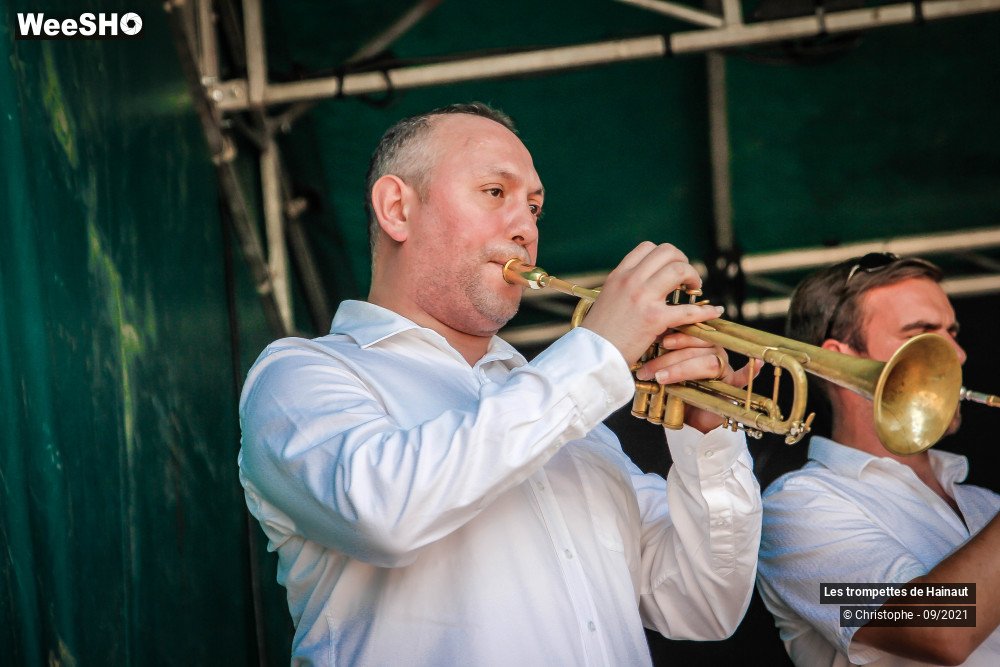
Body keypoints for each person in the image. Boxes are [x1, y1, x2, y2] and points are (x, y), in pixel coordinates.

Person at [238, 102, 762, 666]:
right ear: (397, 209)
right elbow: (381, 511)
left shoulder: (573, 424)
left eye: (534, 207)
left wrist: (710, 439)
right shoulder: (299, 374)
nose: (526, 228)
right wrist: (600, 352)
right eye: (495, 193)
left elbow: (702, 605)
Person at [756, 252, 1000, 666]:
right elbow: (939, 629)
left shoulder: (987, 504)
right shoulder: (797, 509)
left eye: (952, 332)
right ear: (844, 360)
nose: (957, 354)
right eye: (922, 333)